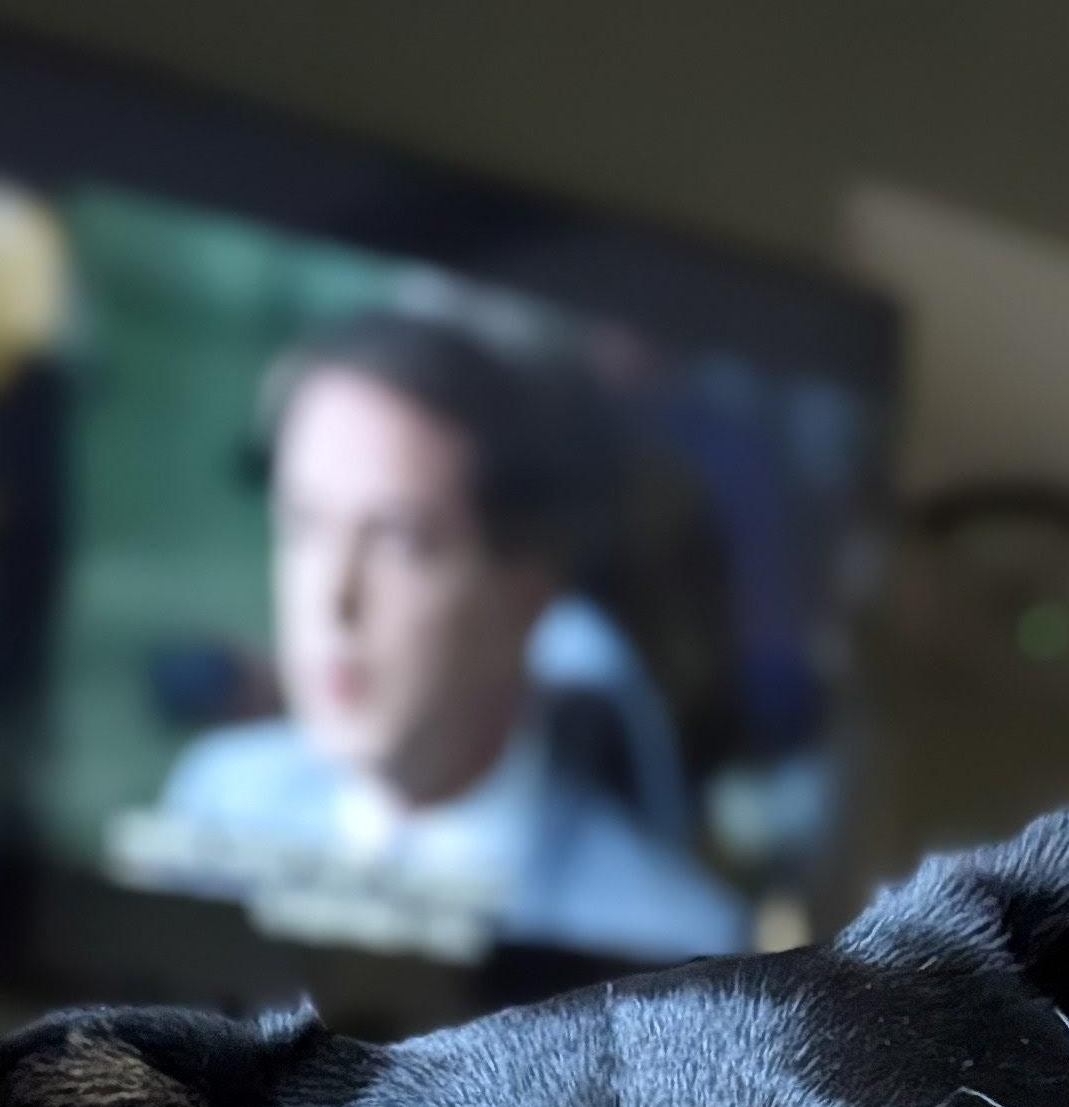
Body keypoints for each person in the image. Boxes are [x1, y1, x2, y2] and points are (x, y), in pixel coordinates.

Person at [113, 312, 748, 964]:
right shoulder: (214, 805)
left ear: (527, 593)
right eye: (305, 526)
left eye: (399, 541)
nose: (335, 600)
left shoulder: (669, 948)